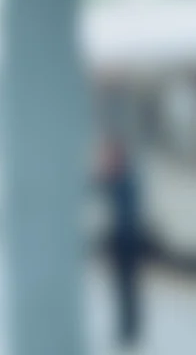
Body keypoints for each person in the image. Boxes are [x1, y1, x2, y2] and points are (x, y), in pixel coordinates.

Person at [97, 137, 144, 348]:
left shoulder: (124, 180)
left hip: (127, 242)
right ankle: (127, 330)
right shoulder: (120, 179)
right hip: (121, 241)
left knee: (126, 288)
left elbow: (125, 214)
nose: (107, 161)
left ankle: (129, 333)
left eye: (111, 157)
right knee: (123, 288)